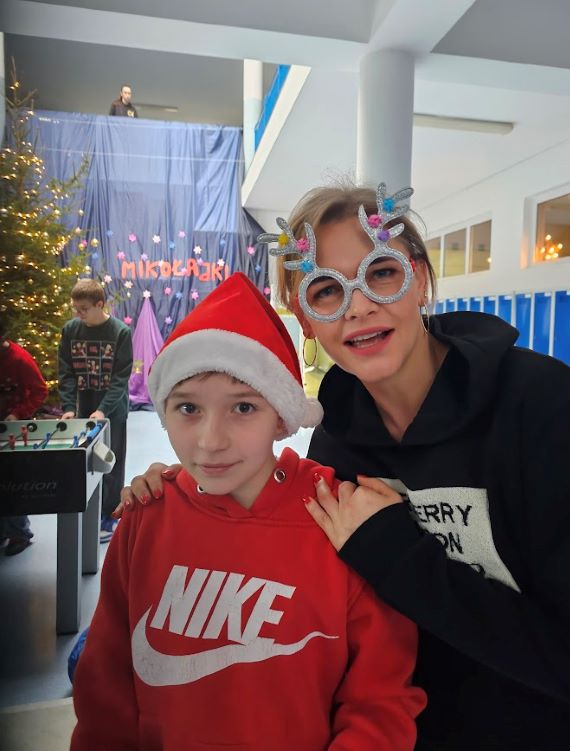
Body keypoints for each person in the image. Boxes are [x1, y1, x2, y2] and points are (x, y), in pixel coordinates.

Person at [120, 183, 570, 751]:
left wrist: (399, 556)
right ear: (306, 319)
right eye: (327, 290)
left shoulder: (543, 408)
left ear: (419, 280)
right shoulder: (337, 444)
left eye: (381, 273)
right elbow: (283, 554)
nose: (359, 306)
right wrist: (180, 490)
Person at [71, 272, 425, 751]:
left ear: (281, 416)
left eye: (242, 408)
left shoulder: (338, 517)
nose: (210, 441)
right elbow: (105, 688)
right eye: (188, 408)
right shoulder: (146, 515)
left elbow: (380, 699)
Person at [59, 278, 133, 542]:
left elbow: (120, 378)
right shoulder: (71, 330)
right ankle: (89, 510)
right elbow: (66, 372)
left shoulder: (120, 332)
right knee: (85, 464)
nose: (78, 314)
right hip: (84, 408)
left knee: (111, 463)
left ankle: (109, 515)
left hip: (113, 411)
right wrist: (69, 407)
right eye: (76, 308)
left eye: (84, 309)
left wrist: (103, 409)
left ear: (99, 304)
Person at [0, 316, 48, 555]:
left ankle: (19, 533)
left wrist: (17, 413)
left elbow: (40, 390)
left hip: (15, 430)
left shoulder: (19, 358)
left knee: (12, 482)